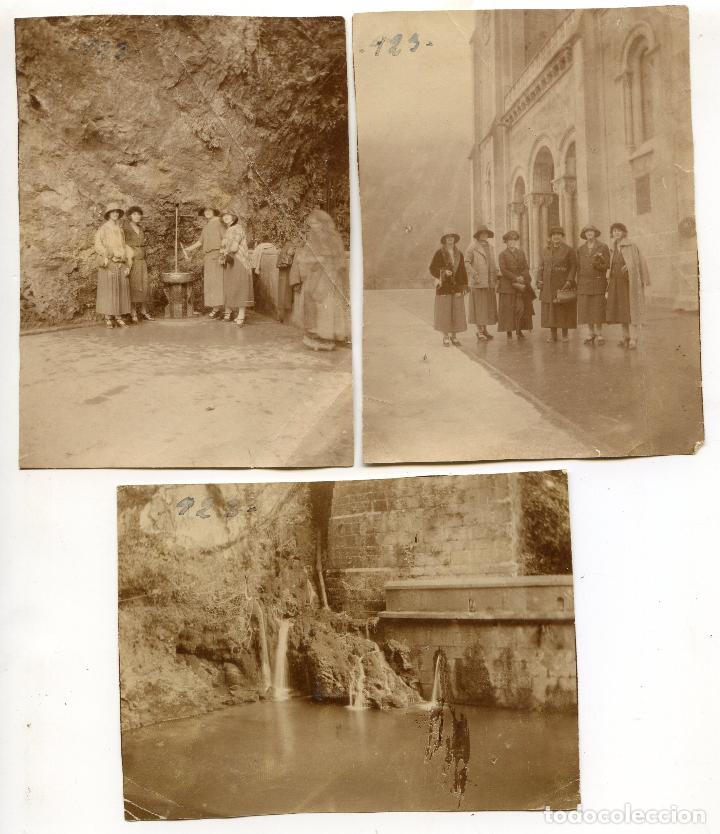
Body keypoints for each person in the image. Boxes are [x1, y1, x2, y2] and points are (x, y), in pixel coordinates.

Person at [289, 208, 350, 350]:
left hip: (330, 276)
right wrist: (306, 259)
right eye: (311, 224)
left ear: (323, 223)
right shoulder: (313, 236)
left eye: (316, 224)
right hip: (315, 275)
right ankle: (315, 336)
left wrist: (323, 259)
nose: (314, 227)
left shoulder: (333, 236)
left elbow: (338, 258)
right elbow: (307, 255)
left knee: (327, 305)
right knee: (313, 304)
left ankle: (328, 338)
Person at [606, 222, 650, 350]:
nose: (616, 233)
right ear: (612, 233)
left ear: (624, 232)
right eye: (614, 231)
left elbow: (639, 262)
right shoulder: (612, 247)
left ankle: (633, 338)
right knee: (621, 311)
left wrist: (629, 267)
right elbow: (610, 264)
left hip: (628, 283)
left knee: (632, 310)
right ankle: (625, 337)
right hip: (615, 282)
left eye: (619, 230)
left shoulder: (632, 245)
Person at [94, 202, 132, 328]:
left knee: (120, 289)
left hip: (120, 262)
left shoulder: (120, 229)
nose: (115, 214)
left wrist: (125, 262)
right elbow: (98, 245)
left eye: (117, 212)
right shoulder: (103, 229)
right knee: (109, 289)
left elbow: (124, 246)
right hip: (109, 261)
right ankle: (108, 317)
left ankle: (118, 316)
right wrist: (108, 255)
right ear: (108, 214)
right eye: (113, 212)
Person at [537, 225, 577, 342]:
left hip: (563, 283)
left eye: (559, 235)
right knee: (550, 309)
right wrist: (539, 280)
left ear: (562, 236)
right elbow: (541, 266)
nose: (556, 237)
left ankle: (565, 334)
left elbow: (573, 266)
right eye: (554, 235)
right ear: (551, 237)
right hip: (548, 284)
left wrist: (569, 280)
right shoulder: (545, 250)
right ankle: (552, 334)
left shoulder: (568, 250)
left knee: (564, 307)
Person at [428, 232, 468, 347]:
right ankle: (445, 336)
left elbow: (463, 271)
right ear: (444, 240)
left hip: (456, 287)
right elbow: (432, 268)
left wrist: (464, 286)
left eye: (452, 238)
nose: (450, 239)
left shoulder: (459, 254)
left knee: (456, 312)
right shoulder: (439, 253)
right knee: (445, 312)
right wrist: (444, 272)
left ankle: (454, 336)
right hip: (444, 288)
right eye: (448, 238)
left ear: (455, 240)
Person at [183, 206, 224, 318]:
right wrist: (188, 249)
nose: (207, 213)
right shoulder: (206, 226)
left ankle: (221, 309)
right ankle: (216, 309)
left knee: (218, 283)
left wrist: (222, 254)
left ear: (214, 211)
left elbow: (225, 239)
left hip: (217, 255)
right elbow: (200, 242)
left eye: (209, 210)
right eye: (205, 211)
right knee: (211, 283)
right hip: (208, 257)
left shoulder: (219, 223)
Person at [218, 207, 254, 325]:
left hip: (239, 260)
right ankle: (236, 313)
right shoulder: (229, 230)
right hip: (231, 261)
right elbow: (224, 248)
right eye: (224, 216)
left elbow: (233, 248)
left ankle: (241, 315)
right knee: (233, 286)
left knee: (240, 286)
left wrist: (224, 251)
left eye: (228, 215)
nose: (226, 217)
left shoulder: (237, 228)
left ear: (234, 217)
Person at [576, 224, 610, 345]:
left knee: (597, 308)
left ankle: (599, 334)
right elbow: (578, 267)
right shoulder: (580, 249)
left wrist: (599, 265)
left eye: (591, 231)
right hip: (584, 283)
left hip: (598, 281)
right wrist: (578, 282)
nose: (589, 234)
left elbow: (607, 265)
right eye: (587, 232)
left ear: (595, 233)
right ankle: (591, 334)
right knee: (587, 308)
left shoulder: (603, 247)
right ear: (584, 235)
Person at [497, 230, 535, 338]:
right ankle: (509, 331)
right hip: (507, 286)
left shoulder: (521, 253)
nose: (512, 242)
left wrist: (522, 276)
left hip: (520, 285)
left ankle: (519, 330)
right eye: (510, 240)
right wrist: (515, 277)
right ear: (506, 242)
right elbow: (503, 270)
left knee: (521, 308)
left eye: (514, 240)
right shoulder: (502, 254)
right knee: (508, 309)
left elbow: (526, 267)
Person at [464, 224, 498, 341]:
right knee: (479, 307)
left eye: (486, 233)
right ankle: (479, 331)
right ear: (478, 235)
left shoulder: (491, 247)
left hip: (489, 282)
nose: (484, 235)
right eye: (481, 233)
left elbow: (492, 263)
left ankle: (485, 330)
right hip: (478, 282)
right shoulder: (472, 247)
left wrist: (496, 275)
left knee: (487, 307)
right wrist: (474, 274)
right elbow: (466, 262)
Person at [123, 206, 153, 323]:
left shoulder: (140, 228)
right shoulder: (125, 228)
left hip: (142, 260)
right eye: (134, 214)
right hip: (132, 260)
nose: (137, 216)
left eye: (139, 214)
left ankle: (144, 311)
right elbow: (123, 244)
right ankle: (133, 312)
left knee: (145, 286)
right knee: (134, 286)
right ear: (130, 216)